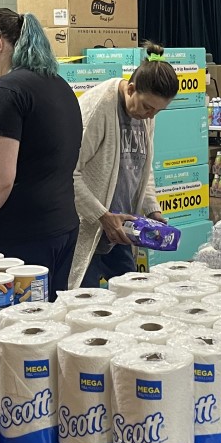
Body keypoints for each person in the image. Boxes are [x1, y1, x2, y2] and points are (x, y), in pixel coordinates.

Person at [0, 7, 82, 298]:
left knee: (20, 322)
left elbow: (1, 178)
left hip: (23, 239)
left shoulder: (6, 91)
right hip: (61, 227)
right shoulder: (59, 85)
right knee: (49, 317)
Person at [69, 43, 178, 288]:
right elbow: (68, 173)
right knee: (86, 302)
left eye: (158, 111)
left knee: (133, 294)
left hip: (121, 229)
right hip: (88, 229)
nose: (151, 116)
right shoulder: (98, 108)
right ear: (131, 89)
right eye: (148, 107)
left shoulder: (146, 113)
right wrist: (102, 216)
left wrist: (152, 210)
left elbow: (143, 166)